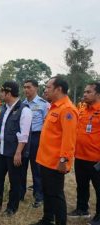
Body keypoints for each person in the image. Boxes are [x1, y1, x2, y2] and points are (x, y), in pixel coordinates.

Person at [31, 76, 78, 225]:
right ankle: (47, 219)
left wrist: (64, 160)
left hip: (56, 162)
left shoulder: (67, 109)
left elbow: (69, 139)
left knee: (57, 195)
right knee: (47, 192)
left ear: (58, 89)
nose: (45, 90)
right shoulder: (54, 107)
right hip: (44, 159)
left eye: (48, 87)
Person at [0, 81, 32, 217]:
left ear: (8, 93)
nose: (0, 94)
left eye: (1, 92)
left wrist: (18, 153)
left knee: (14, 181)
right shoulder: (4, 108)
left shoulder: (25, 110)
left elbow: (24, 135)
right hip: (1, 151)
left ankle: (12, 208)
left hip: (14, 153)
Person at [67, 82, 100, 225]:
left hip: (96, 159)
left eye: (88, 92)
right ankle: (82, 209)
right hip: (80, 156)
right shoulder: (82, 109)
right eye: (84, 92)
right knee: (81, 185)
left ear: (98, 94)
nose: (84, 94)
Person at [21, 79, 50, 207]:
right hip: (24, 138)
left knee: (37, 169)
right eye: (24, 87)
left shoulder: (44, 104)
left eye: (29, 87)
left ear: (36, 88)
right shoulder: (22, 104)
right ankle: (19, 193)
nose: (26, 90)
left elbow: (47, 125)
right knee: (21, 167)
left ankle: (39, 196)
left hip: (37, 138)